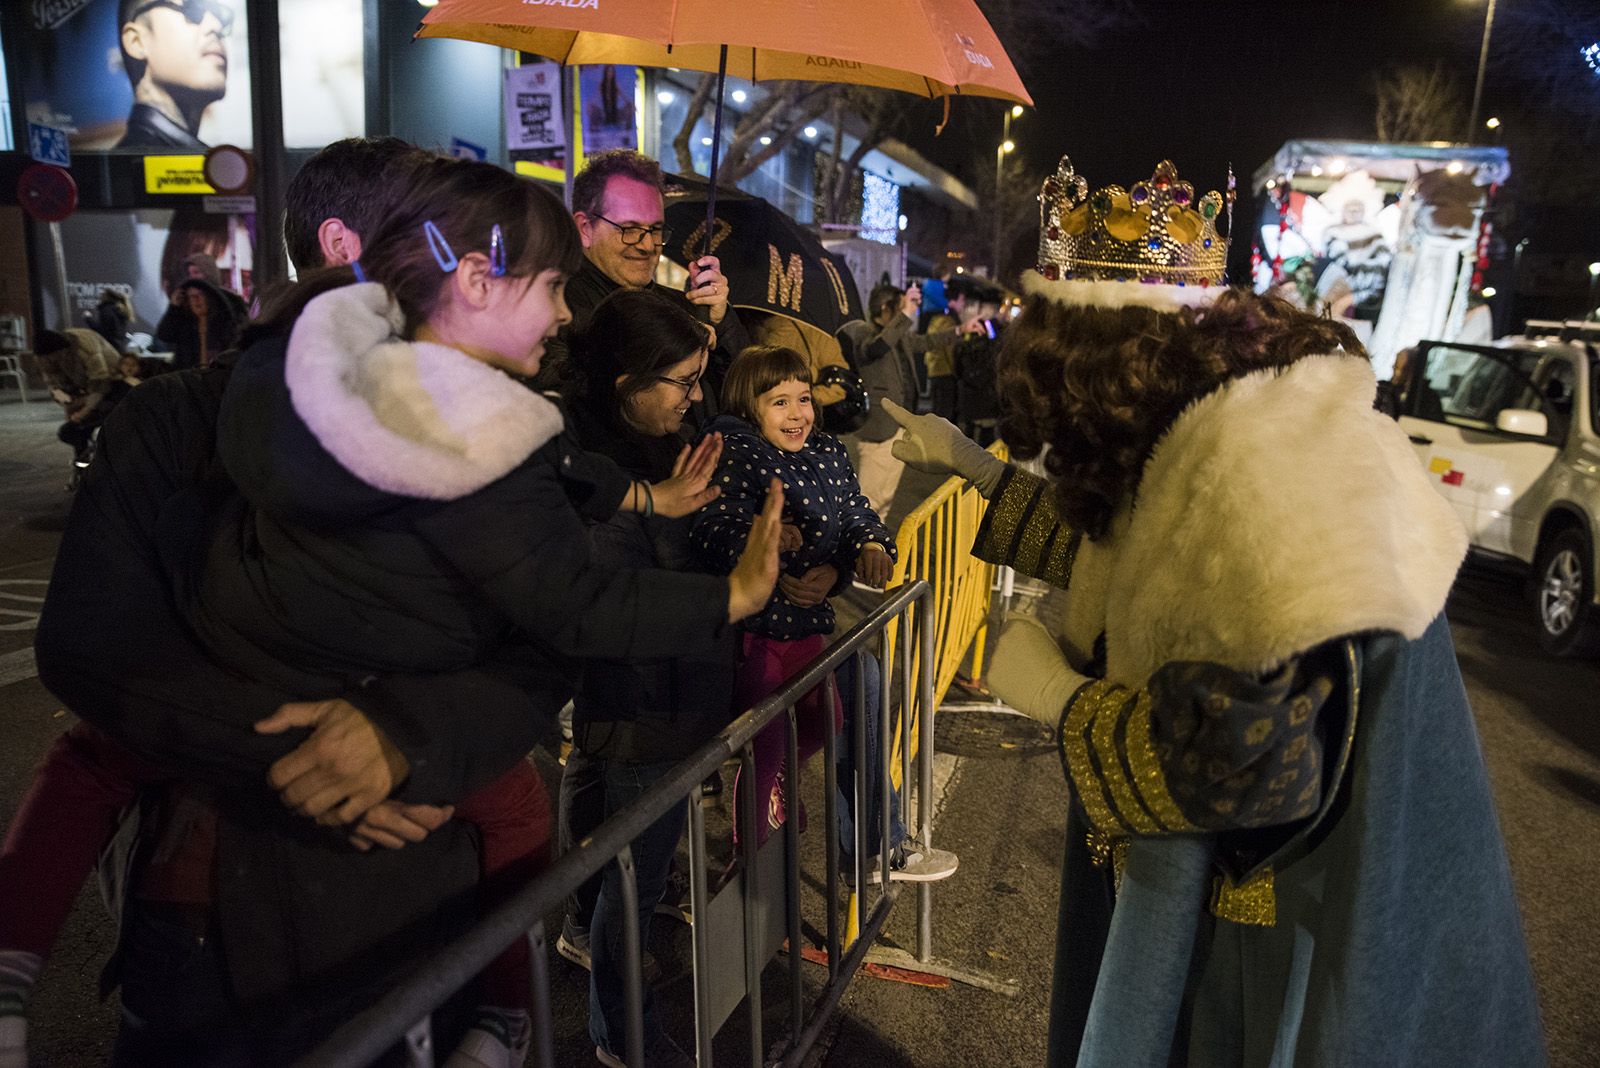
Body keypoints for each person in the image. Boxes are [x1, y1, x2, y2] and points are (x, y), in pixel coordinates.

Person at [882, 157, 1545, 1067]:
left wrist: (1057, 699)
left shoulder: (1270, 478)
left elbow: (1243, 766)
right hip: (1289, 887)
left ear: (1096, 373)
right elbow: (1145, 557)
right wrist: (977, 471)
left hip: (1301, 917)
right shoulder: (1225, 421)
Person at [694, 346, 952, 885]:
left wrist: (869, 549)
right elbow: (713, 526)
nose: (797, 414)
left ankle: (794, 803)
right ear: (748, 406)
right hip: (755, 633)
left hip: (810, 628)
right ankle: (752, 863)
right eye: (780, 402)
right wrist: (764, 538)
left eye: (804, 399)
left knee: (827, 721)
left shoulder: (828, 451)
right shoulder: (737, 452)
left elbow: (857, 510)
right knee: (765, 743)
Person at [558, 288, 737, 1068]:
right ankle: (625, 1036)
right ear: (627, 380)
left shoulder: (675, 430)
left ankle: (589, 937)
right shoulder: (587, 473)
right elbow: (618, 598)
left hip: (666, 684)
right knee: (639, 873)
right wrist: (734, 584)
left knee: (611, 845)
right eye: (684, 380)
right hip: (644, 690)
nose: (696, 398)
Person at [530, 149, 750, 412]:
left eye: (655, 230)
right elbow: (569, 403)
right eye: (630, 229)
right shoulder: (551, 308)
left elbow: (745, 396)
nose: (647, 245)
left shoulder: (680, 308)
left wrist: (721, 321)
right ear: (585, 229)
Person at [839, 283, 944, 521]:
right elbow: (875, 349)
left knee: (885, 498)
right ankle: (861, 546)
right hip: (880, 428)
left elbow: (926, 342)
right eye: (901, 307)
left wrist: (961, 331)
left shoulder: (898, 336)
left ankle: (876, 541)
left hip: (900, 425)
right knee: (869, 498)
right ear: (886, 308)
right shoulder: (864, 332)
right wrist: (905, 316)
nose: (907, 312)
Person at [115, 0, 233, 149]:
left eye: (220, 16)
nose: (216, 26)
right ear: (136, 41)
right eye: (192, 9)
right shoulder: (129, 168)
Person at [31, 328, 124, 469]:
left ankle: (99, 462)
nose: (50, 362)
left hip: (113, 384)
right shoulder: (43, 356)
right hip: (83, 388)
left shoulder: (86, 348)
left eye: (54, 358)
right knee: (70, 431)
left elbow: (100, 384)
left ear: (62, 351)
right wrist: (68, 404)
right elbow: (54, 386)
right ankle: (83, 463)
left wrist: (84, 411)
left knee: (86, 422)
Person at [155, 277, 242, 369]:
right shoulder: (185, 325)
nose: (197, 299)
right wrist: (173, 308)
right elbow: (164, 335)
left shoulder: (224, 324)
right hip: (190, 379)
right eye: (192, 296)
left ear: (209, 298)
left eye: (201, 294)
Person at [85, 289, 135, 354]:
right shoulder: (120, 309)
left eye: (102, 295)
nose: (100, 297)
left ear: (106, 296)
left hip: (109, 348)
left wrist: (88, 318)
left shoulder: (106, 310)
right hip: (120, 347)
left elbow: (103, 331)